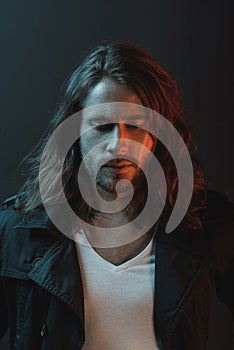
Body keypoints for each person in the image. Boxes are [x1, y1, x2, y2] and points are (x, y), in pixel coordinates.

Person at [0, 42, 233, 350]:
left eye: (134, 126)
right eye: (102, 126)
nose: (117, 144)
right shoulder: (17, 230)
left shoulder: (206, 223)